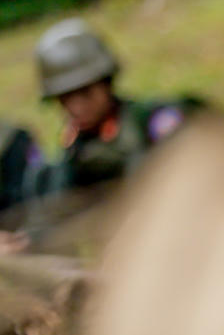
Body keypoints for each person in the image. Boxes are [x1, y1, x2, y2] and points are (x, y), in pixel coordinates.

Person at [30, 19, 195, 200]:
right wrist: (68, 159)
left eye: (86, 92)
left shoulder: (149, 121)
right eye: (65, 98)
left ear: (106, 82)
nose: (76, 107)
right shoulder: (74, 150)